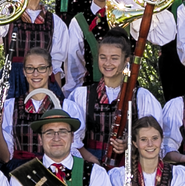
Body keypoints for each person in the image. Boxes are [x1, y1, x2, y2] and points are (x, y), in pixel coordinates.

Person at [56, 0, 173, 89]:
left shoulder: (130, 13)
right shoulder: (78, 21)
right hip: (92, 94)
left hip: (128, 91)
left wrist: (152, 0)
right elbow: (74, 70)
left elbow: (165, 36)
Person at [64, 35, 165, 169]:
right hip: (90, 163)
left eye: (114, 58)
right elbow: (69, 136)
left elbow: (153, 137)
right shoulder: (81, 95)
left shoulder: (141, 96)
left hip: (128, 165)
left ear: (126, 61)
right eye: (103, 57)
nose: (107, 63)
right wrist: (88, 157)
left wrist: (128, 143)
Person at [0, 48, 61, 170]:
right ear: (24, 71)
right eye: (30, 68)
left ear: (50, 70)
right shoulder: (10, 106)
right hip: (19, 171)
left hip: (53, 171)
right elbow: (5, 157)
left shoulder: (66, 106)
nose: (35, 74)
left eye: (41, 68)